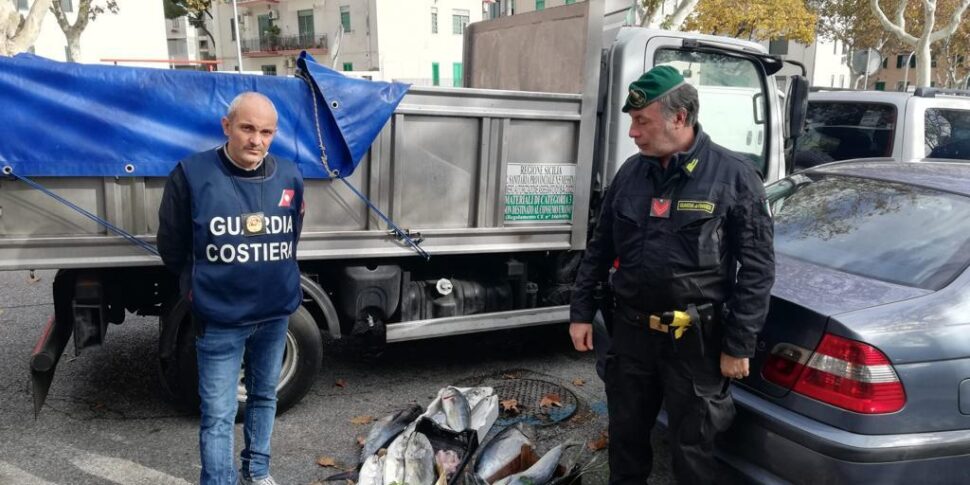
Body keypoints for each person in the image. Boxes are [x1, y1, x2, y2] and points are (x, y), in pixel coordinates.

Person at [569, 66, 774, 484]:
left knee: (692, 449)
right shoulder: (631, 173)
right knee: (625, 440)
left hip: (695, 345)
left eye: (641, 121)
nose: (633, 133)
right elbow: (600, 246)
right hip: (631, 337)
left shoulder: (734, 177)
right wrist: (581, 310)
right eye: (632, 121)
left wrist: (739, 344)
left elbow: (757, 269)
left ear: (679, 118)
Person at [158, 91, 305, 485]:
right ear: (227, 126)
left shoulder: (289, 175)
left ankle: (257, 471)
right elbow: (172, 248)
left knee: (264, 397)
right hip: (220, 319)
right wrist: (197, 289)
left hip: (275, 316)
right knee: (219, 414)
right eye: (247, 128)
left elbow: (291, 237)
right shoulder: (191, 174)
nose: (256, 140)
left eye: (267, 132)